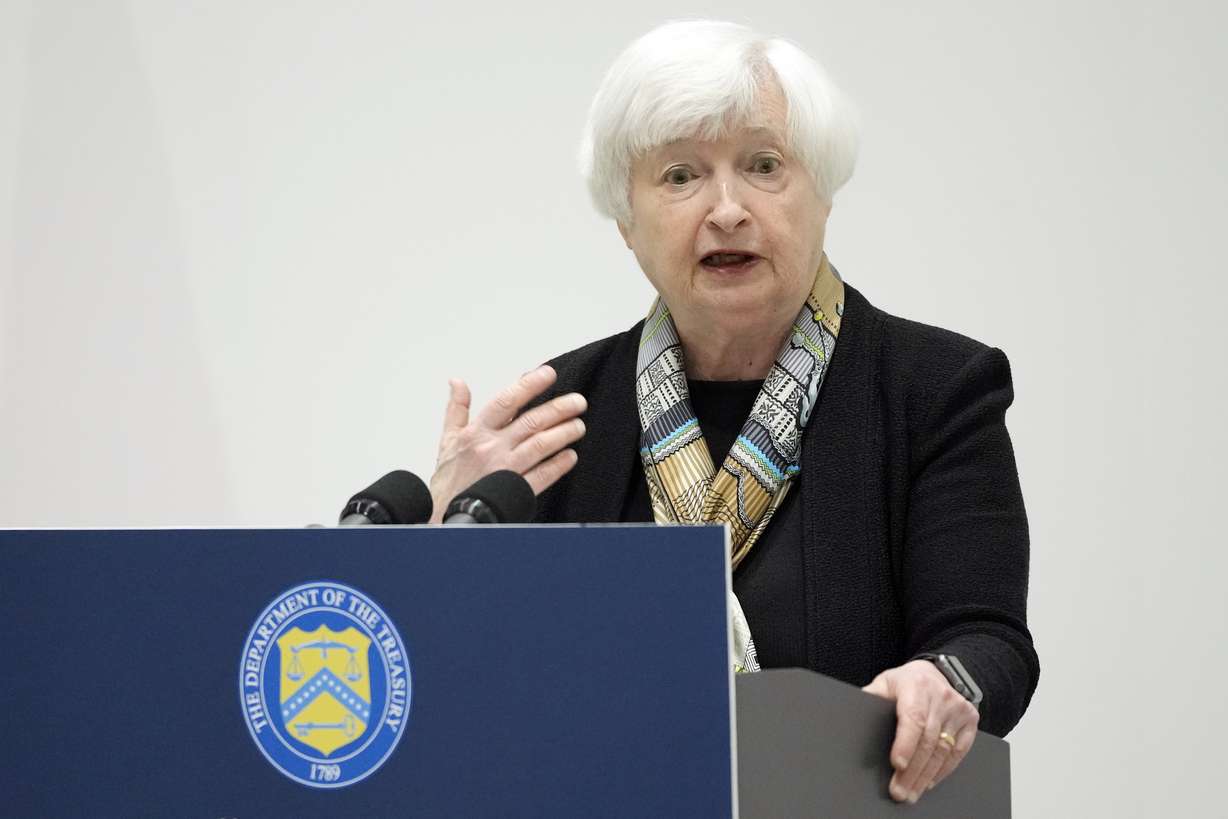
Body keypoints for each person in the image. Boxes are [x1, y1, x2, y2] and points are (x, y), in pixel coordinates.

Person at [426, 20, 1039, 804]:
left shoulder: (936, 389)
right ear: (626, 224)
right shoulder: (559, 415)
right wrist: (443, 543)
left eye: (763, 166)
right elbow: (474, 677)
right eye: (680, 176)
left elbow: (990, 643)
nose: (726, 209)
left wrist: (942, 681)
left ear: (822, 193)